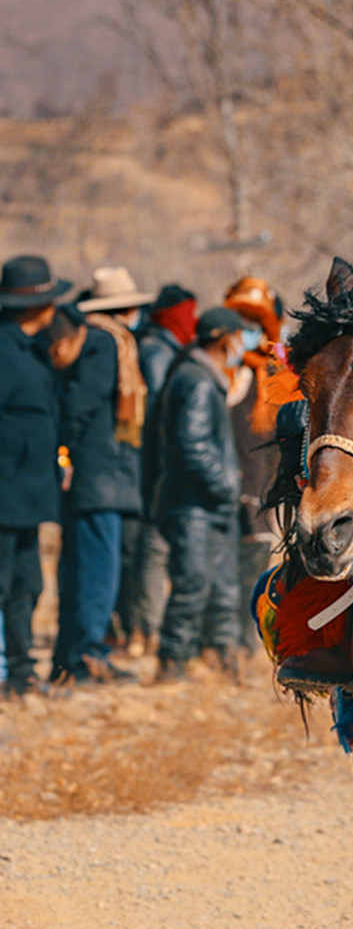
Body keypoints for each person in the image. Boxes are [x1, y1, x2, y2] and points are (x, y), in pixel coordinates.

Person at [49, 280, 150, 683]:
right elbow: (80, 405)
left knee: (86, 571)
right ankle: (85, 656)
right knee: (96, 574)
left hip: (102, 477)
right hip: (99, 477)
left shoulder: (101, 341)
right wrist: (67, 453)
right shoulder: (106, 343)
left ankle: (74, 655)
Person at [151, 307, 246, 682]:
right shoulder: (197, 380)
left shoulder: (203, 376)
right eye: (238, 336)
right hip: (194, 505)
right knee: (191, 584)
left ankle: (222, 659)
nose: (242, 344)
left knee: (223, 585)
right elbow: (191, 444)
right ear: (225, 339)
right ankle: (172, 663)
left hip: (208, 504)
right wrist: (225, 484)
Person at [0, 255, 70, 696]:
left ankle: (23, 673)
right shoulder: (4, 349)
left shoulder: (32, 348)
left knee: (26, 583)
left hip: (27, 492)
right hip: (5, 489)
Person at [129, 283, 199, 656]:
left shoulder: (163, 348)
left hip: (153, 464)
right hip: (154, 466)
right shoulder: (158, 352)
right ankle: (144, 630)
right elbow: (158, 418)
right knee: (153, 547)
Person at [223, 277, 284, 652]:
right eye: (241, 322)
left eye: (255, 323)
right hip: (225, 485)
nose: (248, 331)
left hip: (261, 491)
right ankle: (223, 644)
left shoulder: (278, 375)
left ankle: (245, 643)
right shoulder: (225, 370)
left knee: (254, 569)